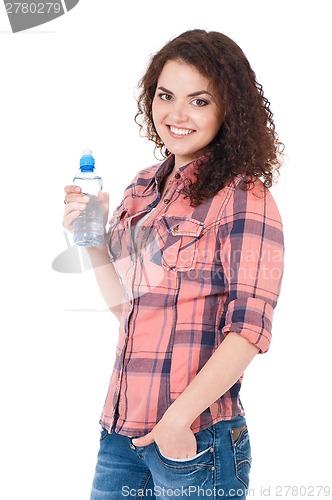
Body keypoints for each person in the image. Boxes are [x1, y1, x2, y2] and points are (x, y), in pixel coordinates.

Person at [63, 29, 284, 500]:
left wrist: (178, 421)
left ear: (229, 109)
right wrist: (91, 241)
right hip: (120, 434)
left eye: (199, 101)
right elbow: (132, 309)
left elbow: (249, 331)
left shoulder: (244, 198)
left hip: (194, 441)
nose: (176, 115)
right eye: (166, 95)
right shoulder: (142, 188)